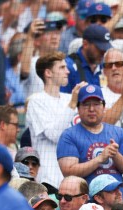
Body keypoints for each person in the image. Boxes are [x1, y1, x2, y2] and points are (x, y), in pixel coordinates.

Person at [57, 84, 123, 185]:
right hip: (85, 198)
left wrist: (115, 155)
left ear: (104, 107)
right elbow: (68, 172)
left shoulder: (118, 132)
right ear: (78, 108)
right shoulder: (69, 135)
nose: (91, 109)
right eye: (86, 104)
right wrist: (99, 159)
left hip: (116, 196)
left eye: (96, 104)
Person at [26, 51, 81, 190]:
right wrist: (73, 104)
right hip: (47, 179)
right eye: (62, 68)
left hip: (72, 178)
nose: (67, 71)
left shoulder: (69, 98)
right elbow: (54, 135)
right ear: (48, 73)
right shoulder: (36, 100)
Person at [62, 24, 113, 93]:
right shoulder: (67, 67)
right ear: (85, 44)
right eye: (99, 48)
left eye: (105, 48)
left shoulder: (104, 68)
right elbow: (61, 100)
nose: (103, 52)